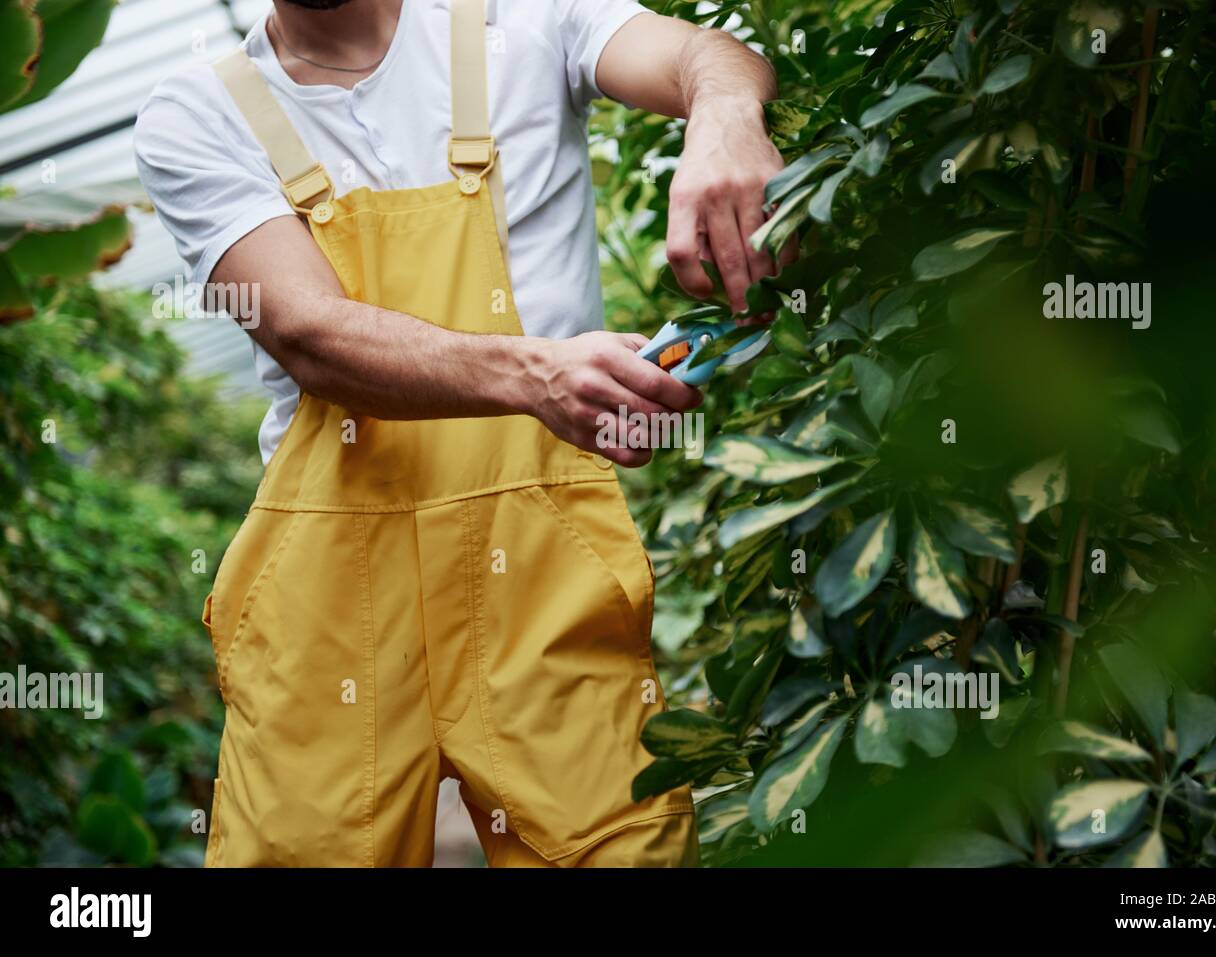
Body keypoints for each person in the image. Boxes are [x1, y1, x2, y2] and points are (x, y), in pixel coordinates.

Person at [134, 0, 786, 867]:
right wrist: (539, 375)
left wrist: (726, 118)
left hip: (539, 565)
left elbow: (709, 54)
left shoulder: (526, 17)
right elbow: (306, 332)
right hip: (327, 593)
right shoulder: (198, 110)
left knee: (619, 850)